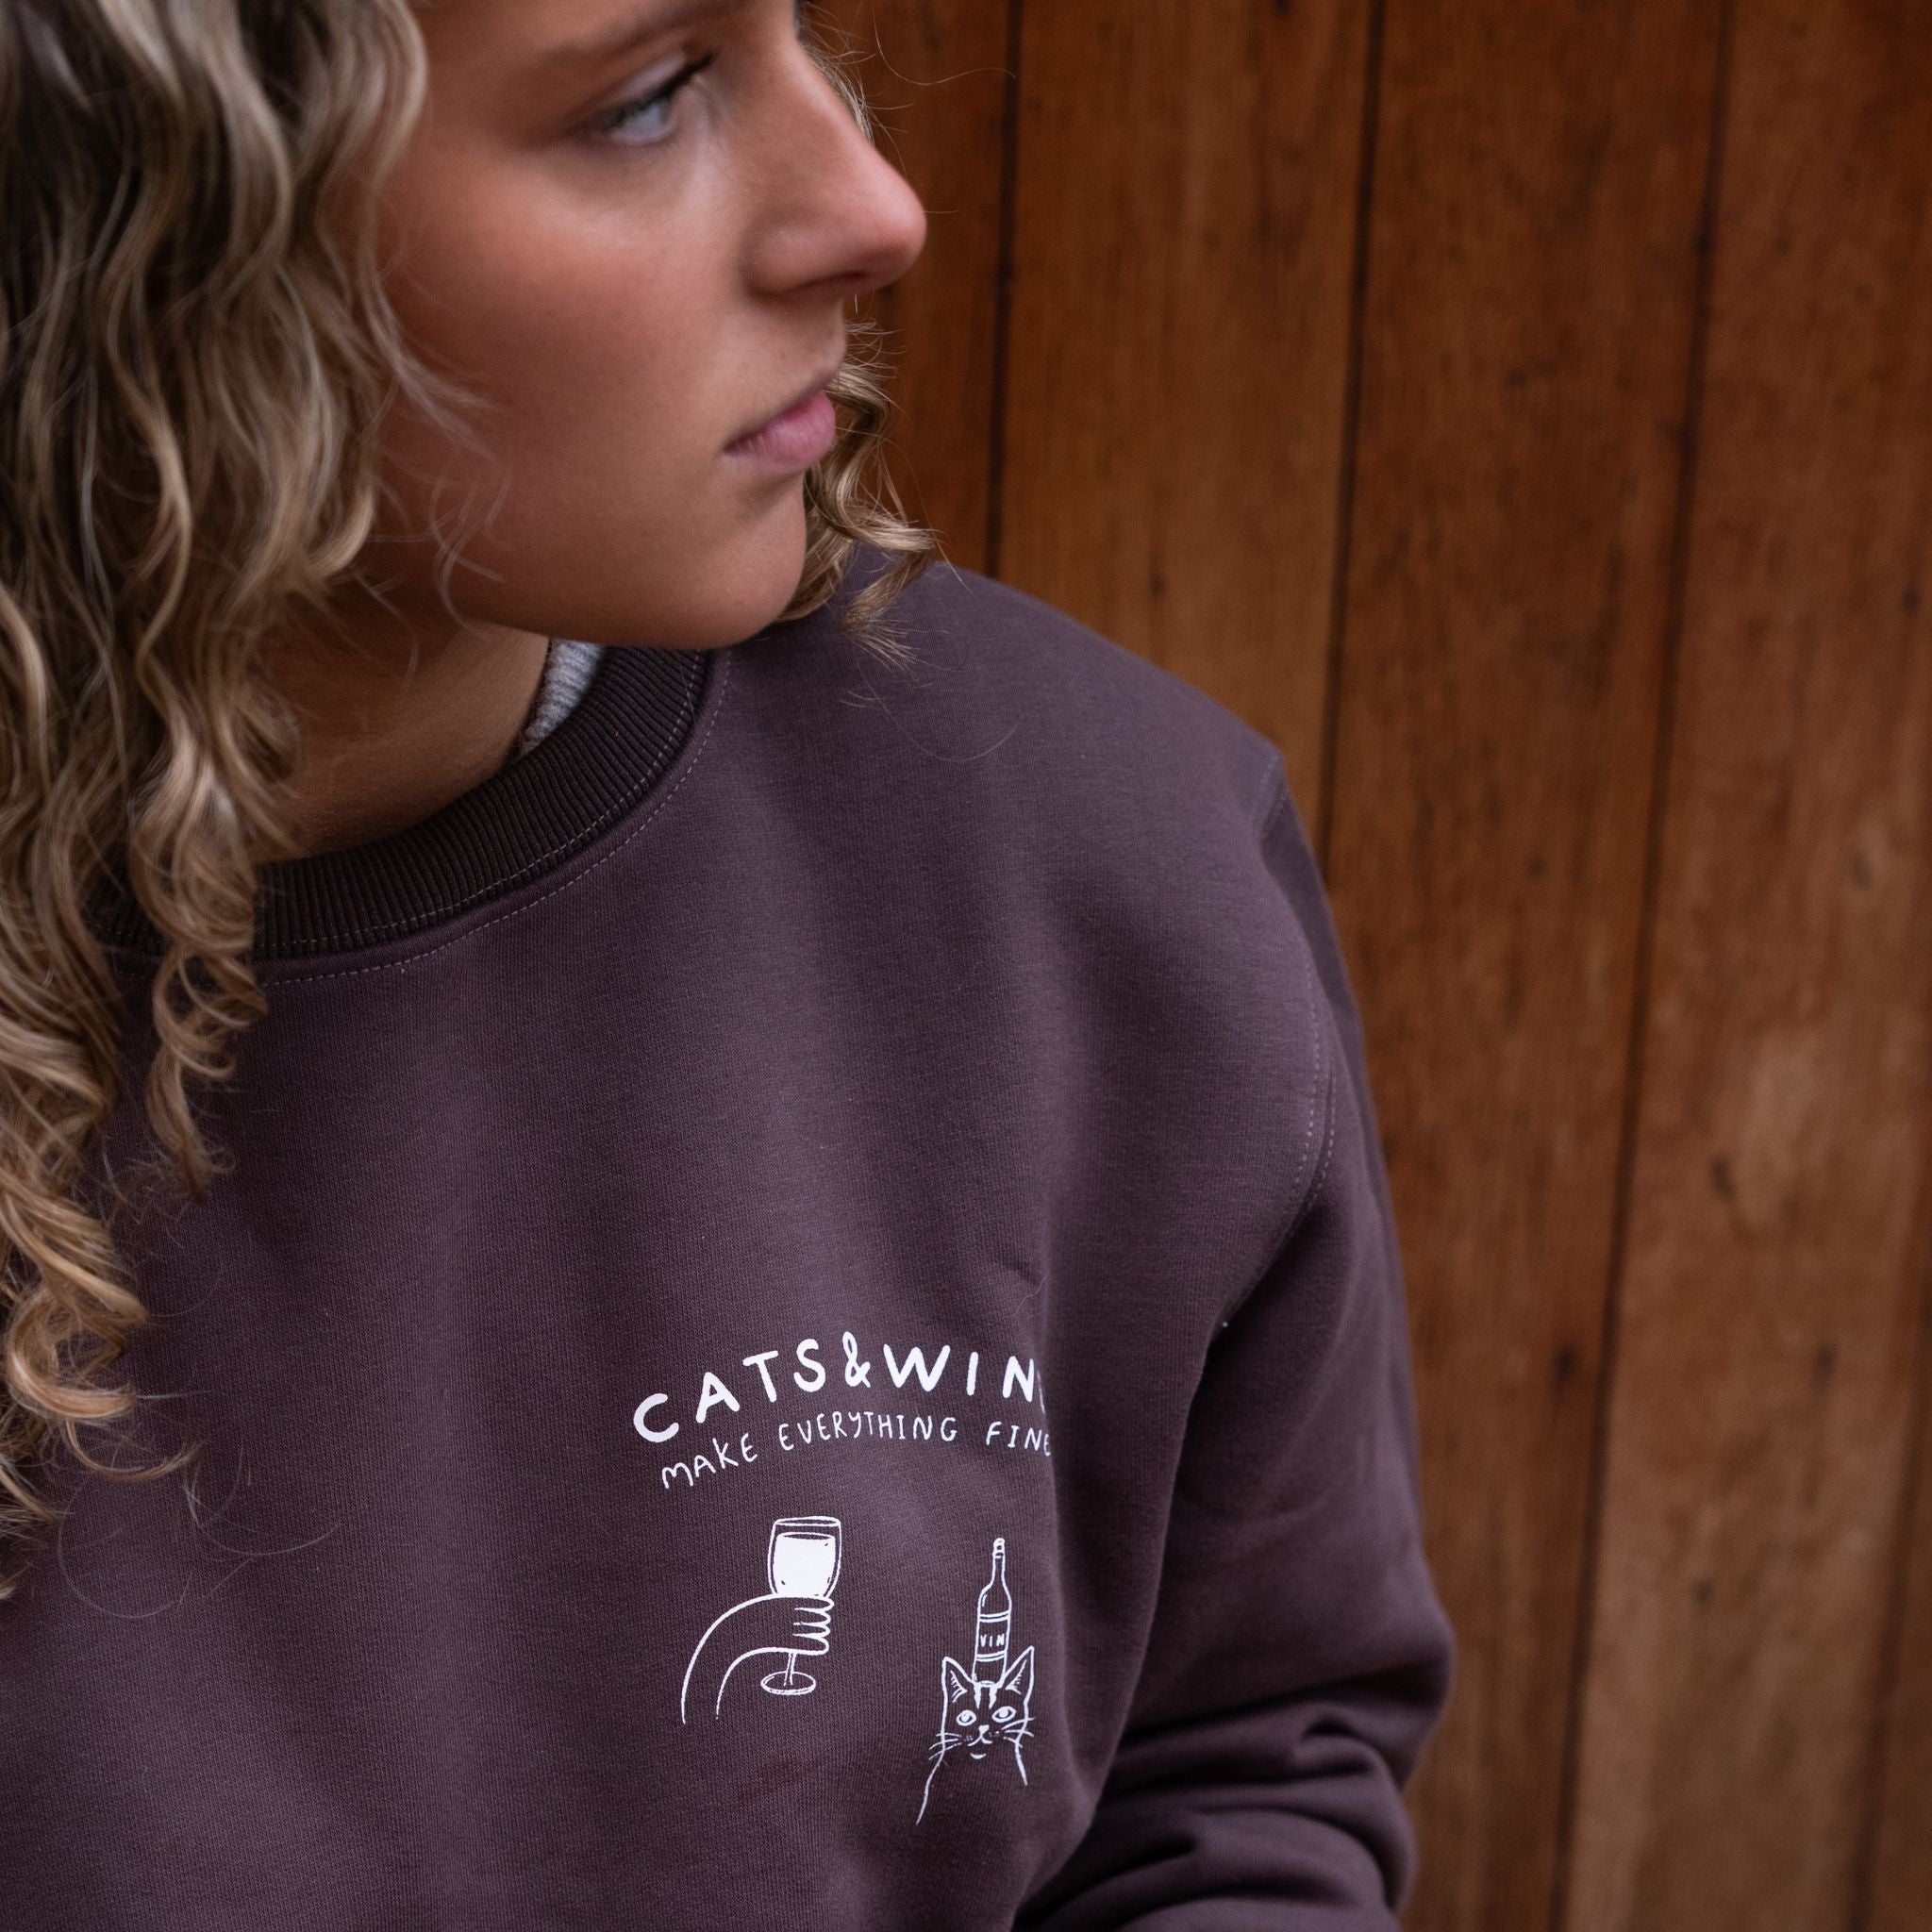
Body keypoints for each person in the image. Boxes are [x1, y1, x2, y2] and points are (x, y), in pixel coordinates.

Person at [0, 0, 1456, 1924]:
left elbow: (1240, 1767)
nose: (874, 204)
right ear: (125, 211)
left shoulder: (1102, 871)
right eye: (649, 97)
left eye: (801, 32)